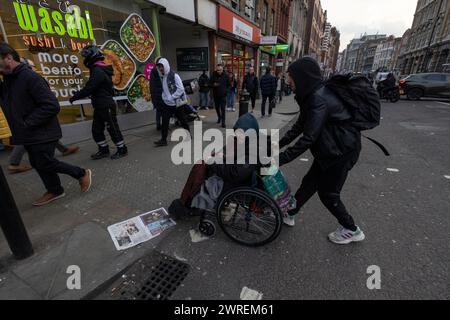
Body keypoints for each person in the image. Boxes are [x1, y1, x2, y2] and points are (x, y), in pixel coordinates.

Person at [278, 57, 365, 245]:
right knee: (309, 183)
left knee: (329, 194)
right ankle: (290, 212)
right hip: (330, 150)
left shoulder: (318, 98)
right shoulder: (311, 96)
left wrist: (280, 159)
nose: (288, 82)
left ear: (301, 77)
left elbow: (309, 137)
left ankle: (351, 229)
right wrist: (276, 145)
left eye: (291, 77)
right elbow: (299, 126)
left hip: (341, 152)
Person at [0, 43, 92, 206]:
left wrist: (26, 123)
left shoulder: (30, 77)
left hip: (42, 130)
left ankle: (81, 173)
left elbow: (51, 105)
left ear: (8, 58)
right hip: (28, 133)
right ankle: (55, 190)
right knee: (37, 162)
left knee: (45, 162)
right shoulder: (8, 81)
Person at [70, 45, 128, 160]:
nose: (84, 59)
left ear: (91, 56)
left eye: (85, 56)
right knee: (96, 129)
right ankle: (103, 149)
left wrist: (75, 97)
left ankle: (122, 149)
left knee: (112, 128)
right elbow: (93, 87)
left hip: (105, 105)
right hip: (100, 105)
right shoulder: (98, 69)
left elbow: (89, 87)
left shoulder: (98, 70)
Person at [154, 58, 191, 147]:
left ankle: (188, 135)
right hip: (167, 104)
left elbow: (181, 89)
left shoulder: (174, 75)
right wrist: (164, 97)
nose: (160, 68)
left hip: (177, 104)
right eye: (159, 67)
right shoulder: (162, 76)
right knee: (165, 121)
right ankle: (163, 140)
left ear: (166, 65)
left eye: (161, 66)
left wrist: (171, 97)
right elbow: (164, 88)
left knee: (182, 119)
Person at [150, 57, 164, 131]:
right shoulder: (155, 70)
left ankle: (159, 124)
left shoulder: (160, 70)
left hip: (159, 94)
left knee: (159, 111)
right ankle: (159, 125)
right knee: (160, 110)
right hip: (158, 94)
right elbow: (152, 84)